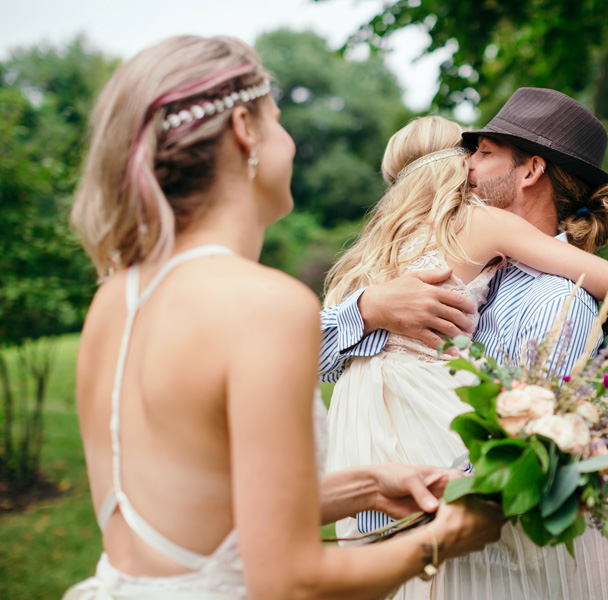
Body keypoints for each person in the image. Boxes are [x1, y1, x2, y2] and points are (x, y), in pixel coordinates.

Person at [64, 35, 502, 600]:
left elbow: (188, 504)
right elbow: (291, 583)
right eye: (278, 119)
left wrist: (367, 486)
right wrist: (445, 537)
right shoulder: (266, 307)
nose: (290, 141)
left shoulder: (115, 299)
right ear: (245, 128)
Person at [319, 89, 608, 599]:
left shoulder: (552, 303)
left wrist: (434, 516)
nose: (465, 163)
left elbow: (524, 450)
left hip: (465, 547)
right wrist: (368, 310)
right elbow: (318, 358)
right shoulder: (452, 250)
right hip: (375, 456)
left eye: (482, 151)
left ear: (529, 171)